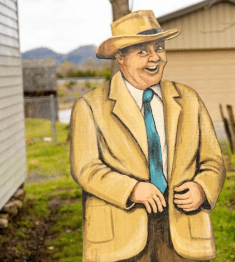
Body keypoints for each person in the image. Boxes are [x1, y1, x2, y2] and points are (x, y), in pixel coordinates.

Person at [70, 10, 226, 262]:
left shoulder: (188, 98)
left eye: (160, 48)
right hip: (120, 237)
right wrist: (131, 189)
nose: (155, 58)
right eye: (143, 51)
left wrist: (202, 188)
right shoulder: (90, 106)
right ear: (121, 57)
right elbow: (85, 168)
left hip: (183, 233)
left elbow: (213, 160)